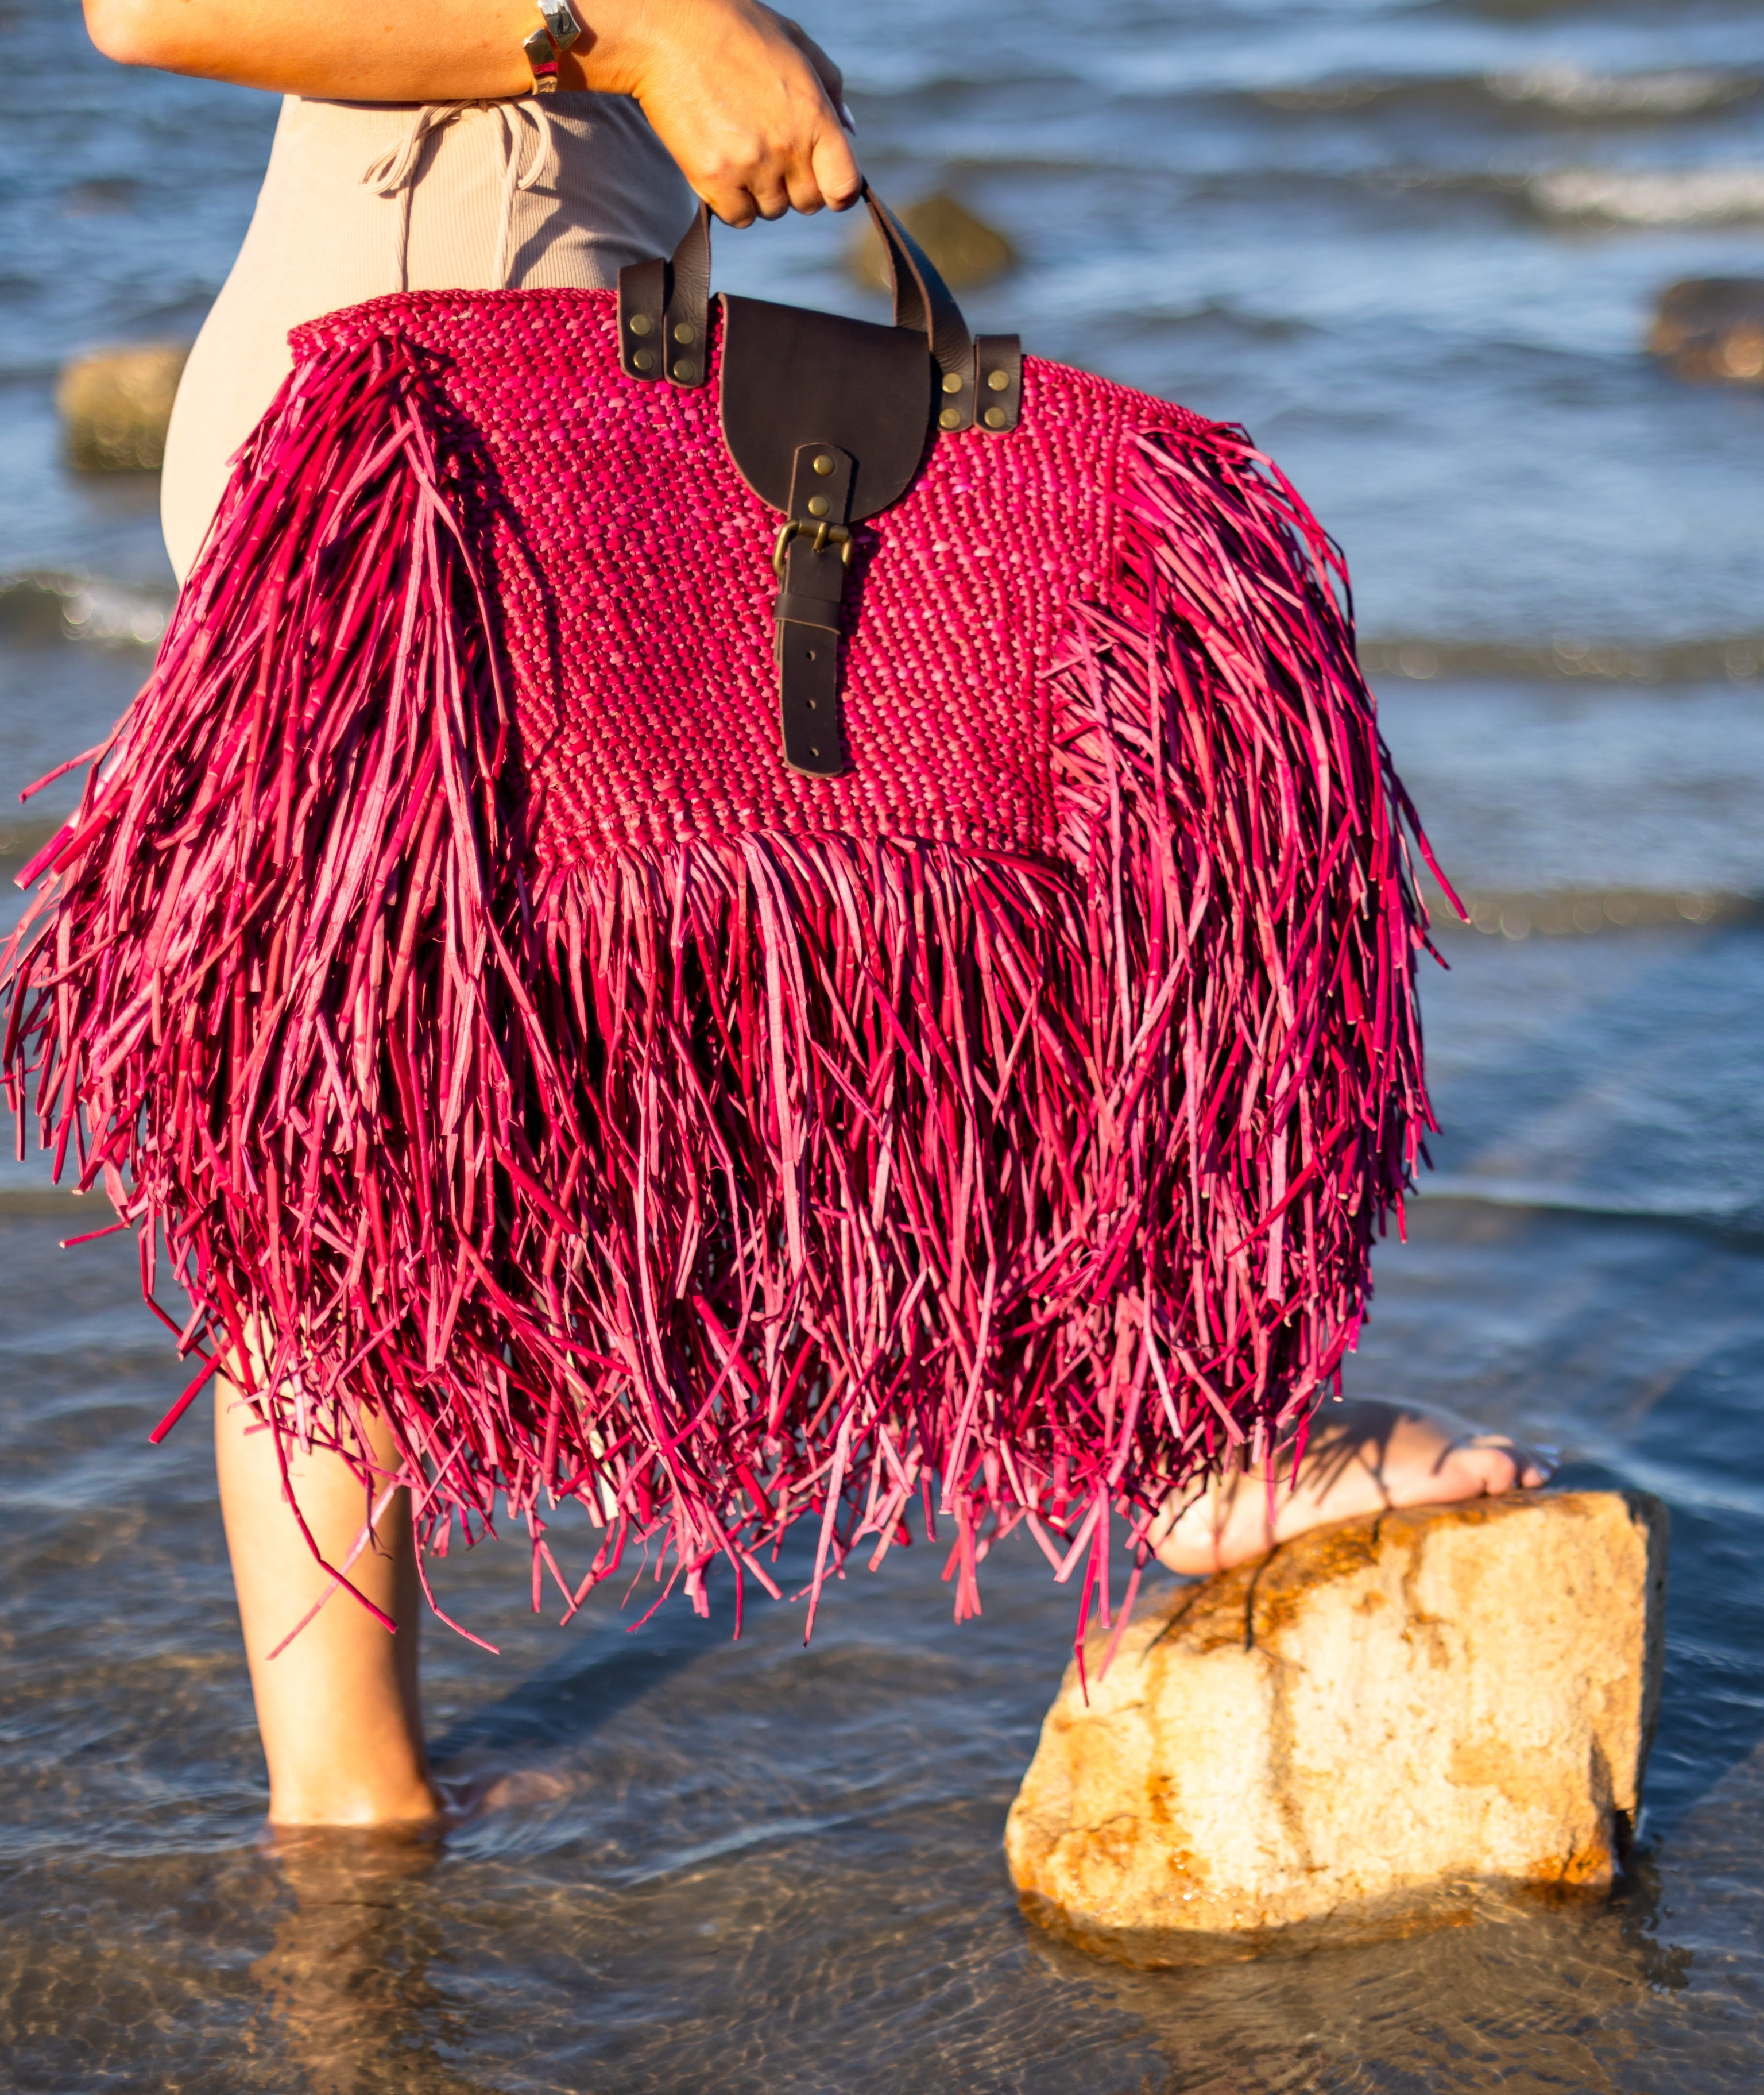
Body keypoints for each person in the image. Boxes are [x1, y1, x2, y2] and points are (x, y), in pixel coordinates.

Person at [79, 0, 1546, 1830]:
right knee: (385, 1093)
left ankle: (358, 1798)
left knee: (493, 1044)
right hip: (429, 376)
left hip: (547, 322)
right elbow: (154, 7)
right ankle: (357, 1806)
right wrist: (627, 37)